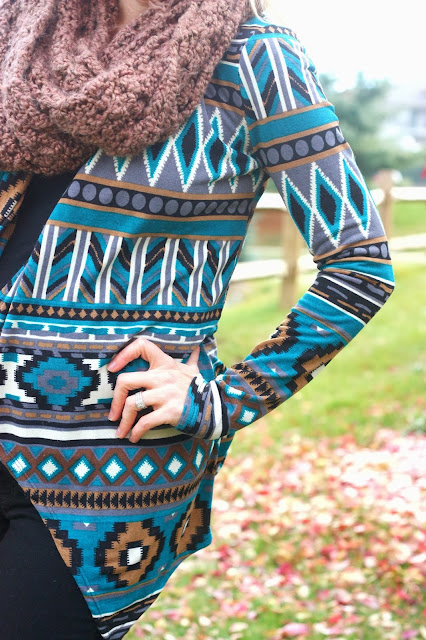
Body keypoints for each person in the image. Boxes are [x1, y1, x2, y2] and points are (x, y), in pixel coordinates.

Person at [0, 0, 395, 638]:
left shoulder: (255, 57)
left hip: (95, 472)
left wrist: (224, 399)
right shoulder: (23, 33)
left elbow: (360, 265)